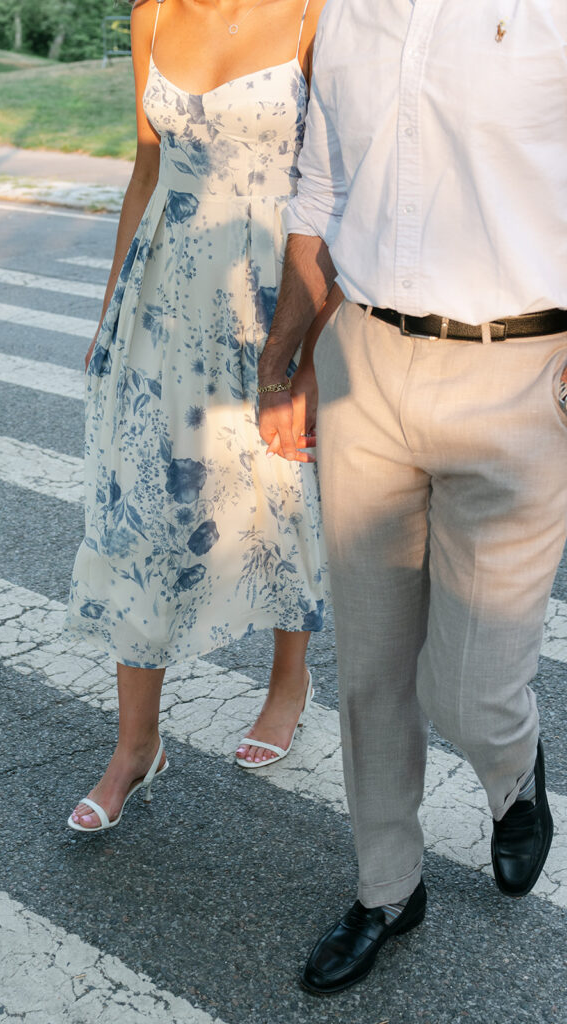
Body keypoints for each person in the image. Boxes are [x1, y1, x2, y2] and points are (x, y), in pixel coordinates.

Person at [257, 0, 567, 995]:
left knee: (468, 690)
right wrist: (282, 360)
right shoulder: (346, 11)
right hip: (367, 366)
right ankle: (387, 887)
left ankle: (512, 767)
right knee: (372, 666)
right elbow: (318, 190)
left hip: (518, 376)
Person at [65, 0, 333, 832]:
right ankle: (134, 746)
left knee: (282, 496)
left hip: (271, 288)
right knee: (139, 508)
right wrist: (111, 304)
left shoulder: (313, 15)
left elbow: (334, 184)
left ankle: (289, 679)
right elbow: (146, 170)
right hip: (163, 293)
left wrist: (311, 349)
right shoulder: (151, 15)